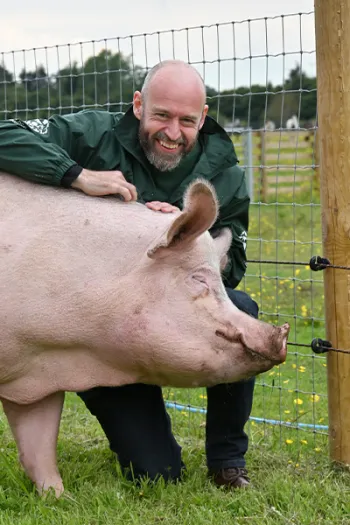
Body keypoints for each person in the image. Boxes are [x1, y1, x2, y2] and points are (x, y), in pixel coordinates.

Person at [0, 60, 258, 489]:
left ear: (204, 117)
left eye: (187, 121)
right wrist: (77, 176)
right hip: (100, 330)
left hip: (165, 319)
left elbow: (235, 263)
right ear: (138, 105)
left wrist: (190, 239)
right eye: (161, 115)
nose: (172, 132)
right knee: (156, 474)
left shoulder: (224, 174)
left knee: (242, 310)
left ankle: (228, 460)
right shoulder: (92, 136)